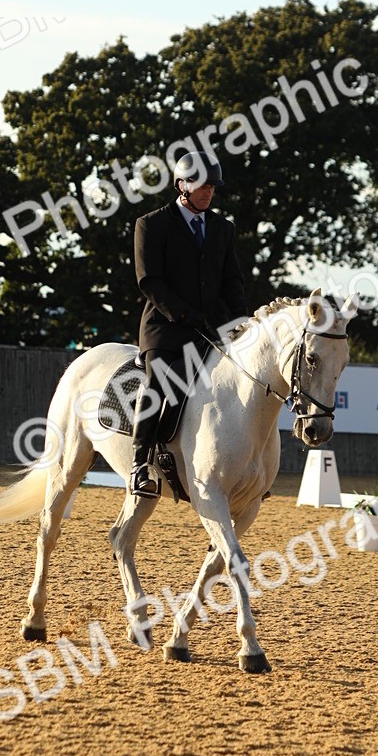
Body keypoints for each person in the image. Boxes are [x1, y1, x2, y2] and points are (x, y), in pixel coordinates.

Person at [130, 149, 249, 497]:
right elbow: (150, 281)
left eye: (213, 186)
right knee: (157, 383)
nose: (209, 192)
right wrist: (185, 314)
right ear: (182, 184)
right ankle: (141, 463)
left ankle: (241, 468)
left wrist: (242, 320)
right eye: (202, 185)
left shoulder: (222, 229)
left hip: (210, 331)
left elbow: (232, 281)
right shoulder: (151, 224)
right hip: (166, 329)